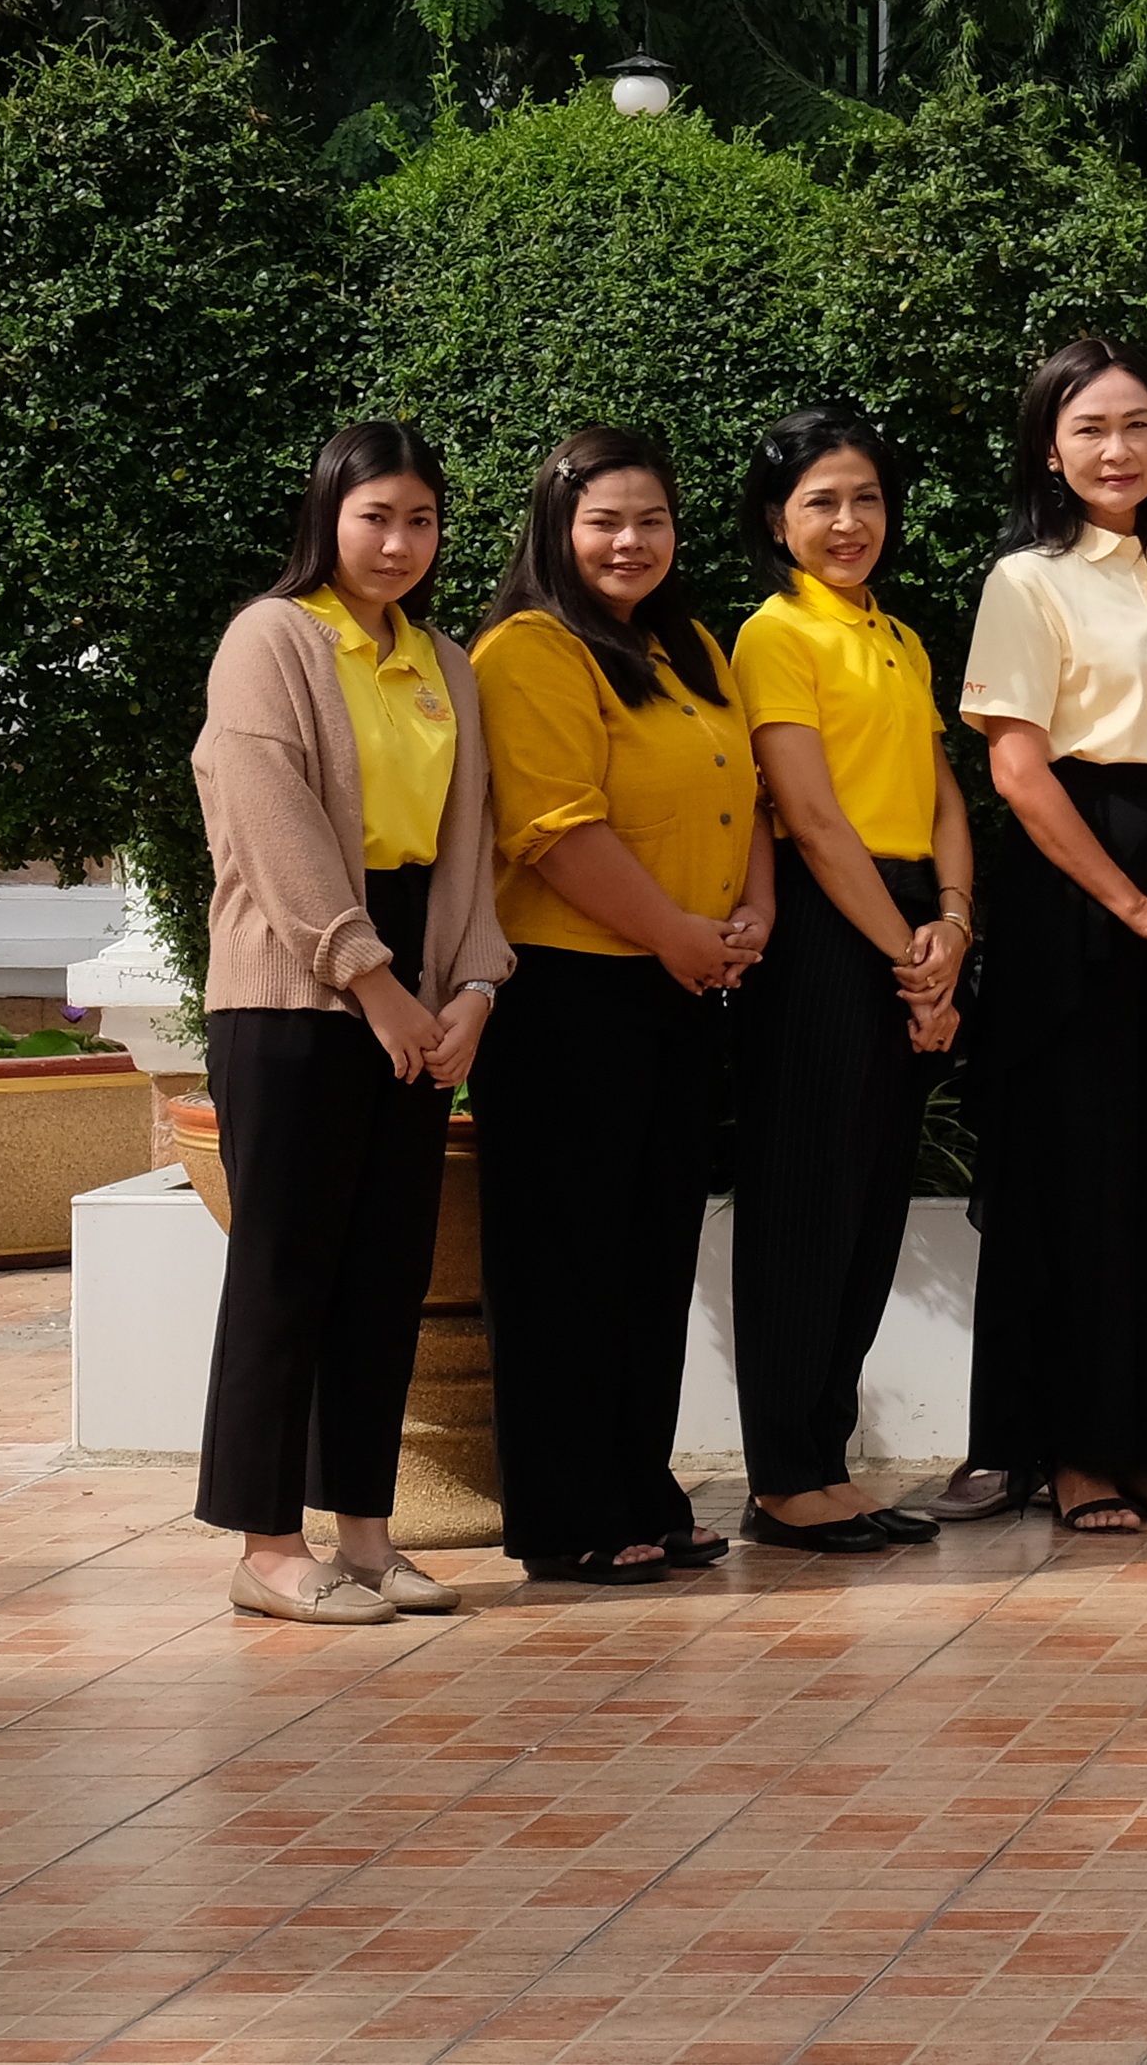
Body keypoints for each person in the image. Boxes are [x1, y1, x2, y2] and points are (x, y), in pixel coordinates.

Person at [192, 424, 507, 1623]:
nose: (397, 542)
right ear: (328, 515)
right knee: (286, 1270)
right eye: (375, 516)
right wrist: (368, 980)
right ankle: (268, 1547)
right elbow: (271, 819)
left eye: (420, 520)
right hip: (293, 988)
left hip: (418, 991)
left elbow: (467, 841)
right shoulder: (270, 640)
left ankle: (367, 1538)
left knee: (386, 1275)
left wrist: (472, 987)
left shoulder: (447, 662)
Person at [961, 336, 1147, 1537]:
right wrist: (1134, 908)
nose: (1117, 449)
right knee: (1081, 1178)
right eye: (1090, 428)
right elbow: (1018, 766)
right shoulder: (1027, 580)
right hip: (1078, 904)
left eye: (1137, 424)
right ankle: (1077, 1453)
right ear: (1051, 446)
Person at [474, 427, 769, 1585]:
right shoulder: (530, 650)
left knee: (651, 1255)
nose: (630, 541)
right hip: (570, 997)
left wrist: (748, 918)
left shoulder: (689, 644)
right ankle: (564, 1514)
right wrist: (683, 937)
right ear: (556, 526)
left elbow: (743, 795)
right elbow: (553, 833)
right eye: (604, 520)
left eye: (651, 519)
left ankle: (638, 1482)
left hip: (684, 986)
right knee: (565, 1262)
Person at [726, 406, 972, 1555]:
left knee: (869, 1206)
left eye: (865, 498)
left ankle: (826, 1459)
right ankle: (784, 1476)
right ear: (777, 519)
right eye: (821, 501)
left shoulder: (899, 635)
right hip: (832, 936)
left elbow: (941, 794)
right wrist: (905, 953)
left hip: (910, 922)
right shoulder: (775, 635)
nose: (847, 521)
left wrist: (953, 928)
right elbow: (814, 822)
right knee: (804, 1208)